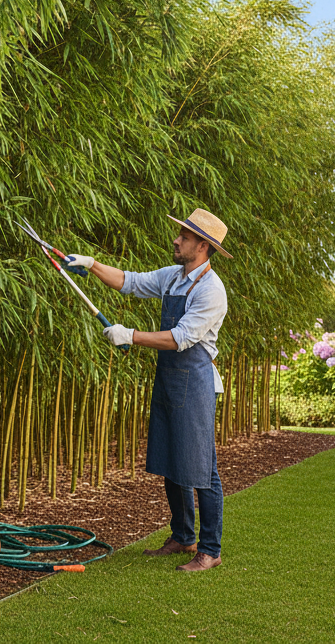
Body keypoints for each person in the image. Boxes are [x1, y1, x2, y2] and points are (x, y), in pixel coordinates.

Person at [63, 209, 230, 572]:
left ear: (202, 246)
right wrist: (91, 264)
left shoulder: (211, 290)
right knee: (173, 458)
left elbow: (181, 338)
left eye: (184, 237)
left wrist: (131, 336)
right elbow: (130, 281)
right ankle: (183, 536)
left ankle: (210, 549)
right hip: (170, 379)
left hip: (196, 382)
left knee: (202, 468)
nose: (176, 239)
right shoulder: (174, 277)